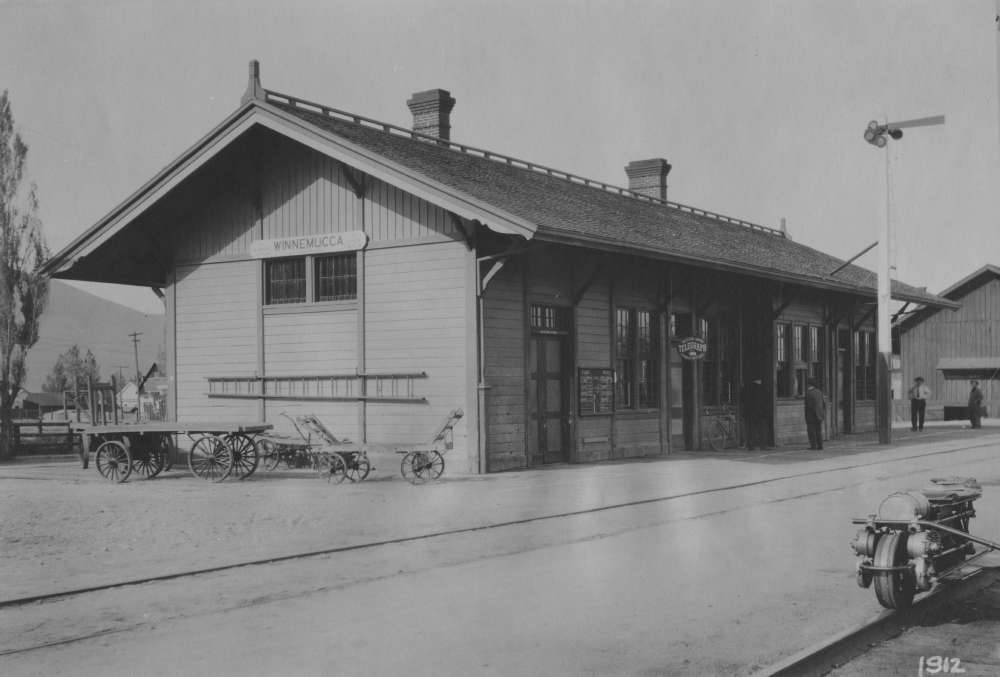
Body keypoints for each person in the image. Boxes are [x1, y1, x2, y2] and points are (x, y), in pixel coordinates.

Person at [741, 377, 769, 450]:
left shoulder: (748, 389)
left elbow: (744, 400)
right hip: (760, 413)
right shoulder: (762, 390)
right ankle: (762, 445)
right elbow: (765, 402)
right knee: (762, 429)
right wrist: (765, 412)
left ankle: (751, 445)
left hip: (751, 412)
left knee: (751, 429)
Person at [804, 377, 826, 450]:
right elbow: (823, 403)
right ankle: (820, 445)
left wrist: (807, 415)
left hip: (811, 415)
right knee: (818, 430)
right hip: (819, 414)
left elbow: (809, 405)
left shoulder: (809, 393)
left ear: (809, 385)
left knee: (811, 431)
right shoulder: (819, 392)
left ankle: (813, 446)